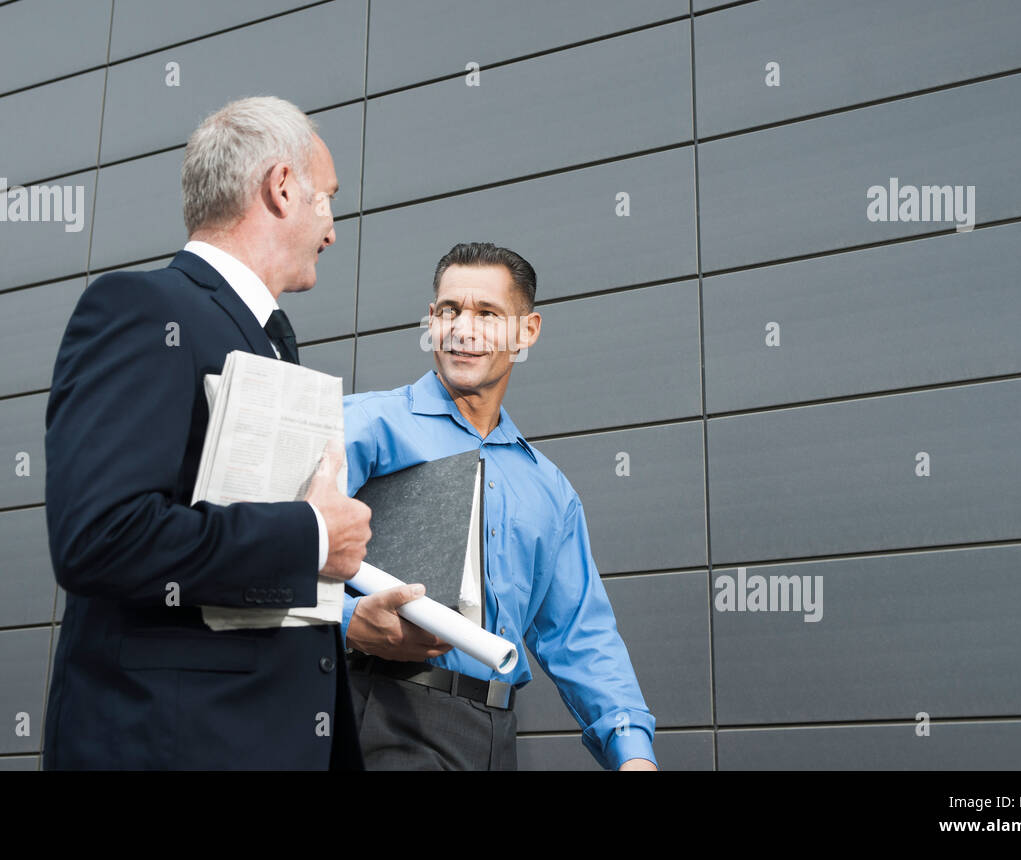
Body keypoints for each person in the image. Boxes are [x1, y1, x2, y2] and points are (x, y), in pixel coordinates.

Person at [42, 96, 371, 769]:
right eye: (327, 200)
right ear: (282, 188)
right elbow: (102, 536)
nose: (332, 230)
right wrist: (310, 536)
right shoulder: (142, 310)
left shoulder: (266, 341)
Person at [340, 242, 658, 771]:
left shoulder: (548, 490)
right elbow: (271, 551)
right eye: (449, 311)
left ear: (526, 332)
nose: (464, 329)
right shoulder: (366, 427)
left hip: (494, 736)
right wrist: (347, 621)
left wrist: (633, 754)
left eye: (487, 314)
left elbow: (580, 634)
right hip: (378, 711)